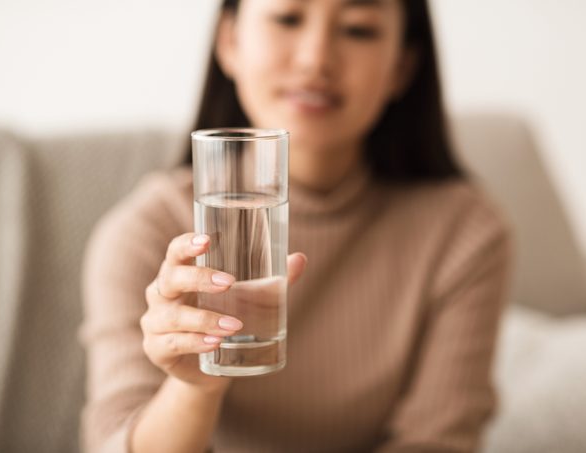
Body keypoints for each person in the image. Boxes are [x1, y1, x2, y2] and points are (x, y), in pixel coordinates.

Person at [80, 0, 512, 451]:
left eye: (358, 29)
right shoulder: (146, 232)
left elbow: (438, 442)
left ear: (403, 66)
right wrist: (195, 387)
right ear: (229, 42)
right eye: (287, 18)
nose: (315, 59)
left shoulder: (464, 233)